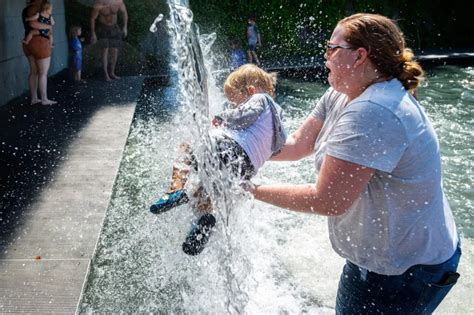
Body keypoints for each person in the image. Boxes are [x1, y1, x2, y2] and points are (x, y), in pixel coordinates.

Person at [246, 13, 460, 314]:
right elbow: (297, 143)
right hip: (380, 259)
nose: (325, 55)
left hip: (406, 271)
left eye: (332, 48)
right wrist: (239, 150)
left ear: (360, 56)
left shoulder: (375, 110)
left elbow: (327, 200)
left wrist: (249, 189)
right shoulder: (341, 91)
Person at [150, 64, 287, 256]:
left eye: (235, 103)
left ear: (250, 91)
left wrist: (223, 117)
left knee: (187, 146)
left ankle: (175, 190)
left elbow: (245, 115)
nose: (233, 107)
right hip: (243, 170)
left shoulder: (259, 98)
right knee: (202, 190)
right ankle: (205, 219)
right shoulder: (278, 121)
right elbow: (277, 148)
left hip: (228, 151)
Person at [22, 0, 57, 105]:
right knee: (43, 73)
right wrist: (49, 27)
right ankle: (44, 99)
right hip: (40, 42)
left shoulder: (28, 9)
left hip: (29, 43)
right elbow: (33, 24)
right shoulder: (35, 9)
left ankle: (34, 98)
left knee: (34, 72)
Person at [90, 0, 128, 81]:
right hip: (103, 28)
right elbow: (93, 18)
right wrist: (93, 33)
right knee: (105, 51)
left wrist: (125, 27)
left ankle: (112, 72)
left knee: (114, 51)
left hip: (114, 28)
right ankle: (105, 74)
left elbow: (124, 13)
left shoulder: (118, 2)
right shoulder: (99, 3)